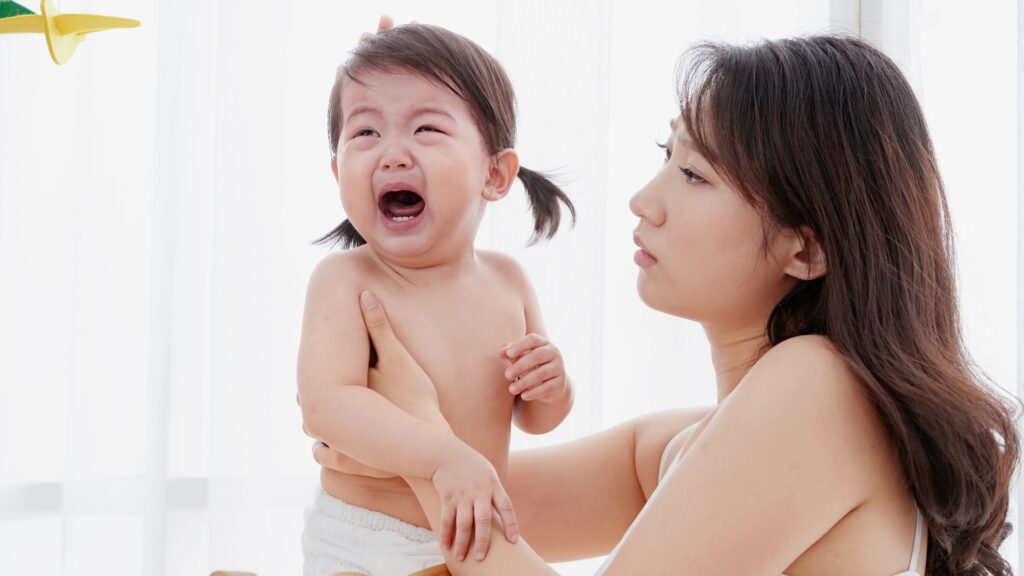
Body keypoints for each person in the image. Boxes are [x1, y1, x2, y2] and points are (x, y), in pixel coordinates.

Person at [320, 33, 1021, 575]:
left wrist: (421, 438)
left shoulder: (818, 389)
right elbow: (478, 508)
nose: (644, 201)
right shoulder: (708, 438)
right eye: (667, 153)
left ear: (805, 250)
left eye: (693, 173)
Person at [296, 23, 578, 576]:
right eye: (365, 134)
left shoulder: (508, 281)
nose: (392, 154)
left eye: (425, 129)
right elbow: (325, 404)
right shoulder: (346, 281)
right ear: (337, 173)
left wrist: (553, 386)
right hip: (370, 541)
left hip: (472, 535)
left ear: (494, 174)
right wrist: (444, 457)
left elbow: (535, 419)